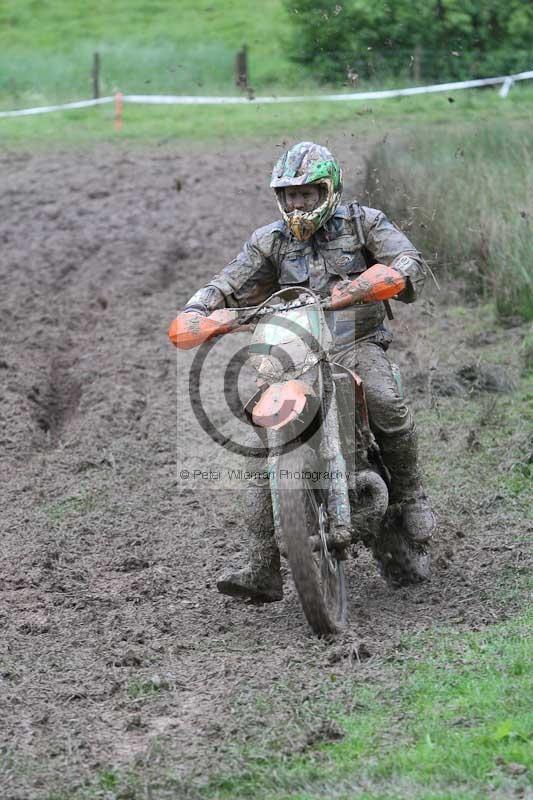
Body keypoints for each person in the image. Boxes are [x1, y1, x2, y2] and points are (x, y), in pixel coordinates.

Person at [171, 141, 435, 601]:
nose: (297, 204)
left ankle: (410, 497)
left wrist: (385, 277)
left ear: (327, 190)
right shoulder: (270, 240)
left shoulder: (363, 222)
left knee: (384, 399)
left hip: (356, 343)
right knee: (263, 439)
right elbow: (227, 282)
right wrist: (199, 309)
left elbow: (407, 260)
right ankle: (261, 563)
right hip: (291, 351)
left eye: (307, 194)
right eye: (289, 195)